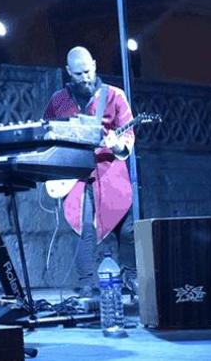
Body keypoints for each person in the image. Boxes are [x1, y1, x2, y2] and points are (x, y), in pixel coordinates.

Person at [43, 46, 137, 297]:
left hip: (110, 170)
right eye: (77, 74)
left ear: (94, 65)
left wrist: (117, 143)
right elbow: (48, 132)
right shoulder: (58, 100)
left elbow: (127, 131)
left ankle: (131, 277)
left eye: (87, 71)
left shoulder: (114, 95)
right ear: (68, 72)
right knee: (84, 227)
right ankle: (86, 283)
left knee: (126, 228)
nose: (84, 77)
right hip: (76, 173)